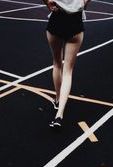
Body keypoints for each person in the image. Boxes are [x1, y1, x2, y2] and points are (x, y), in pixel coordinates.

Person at [43, 0, 90, 128]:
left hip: (56, 21)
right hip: (75, 23)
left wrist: (47, 3)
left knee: (57, 63)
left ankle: (58, 99)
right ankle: (59, 114)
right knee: (68, 71)